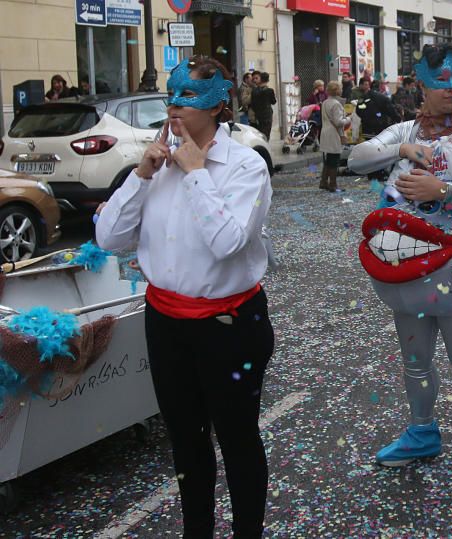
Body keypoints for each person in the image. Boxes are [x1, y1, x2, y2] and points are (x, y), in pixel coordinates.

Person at [95, 56, 274, 538]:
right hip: (167, 323)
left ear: (218, 105)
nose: (174, 108)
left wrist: (196, 172)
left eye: (187, 98)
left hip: (230, 326)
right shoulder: (157, 159)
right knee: (186, 441)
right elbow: (109, 239)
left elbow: (227, 243)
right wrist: (142, 176)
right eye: (170, 97)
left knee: (237, 439)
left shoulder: (246, 167)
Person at [347, 42, 452, 503]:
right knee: (415, 358)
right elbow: (355, 157)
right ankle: (422, 432)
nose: (451, 91)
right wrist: (401, 147)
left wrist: (441, 187)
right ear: (419, 82)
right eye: (439, 82)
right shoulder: (405, 129)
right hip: (406, 265)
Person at [319, 81, 349, 192]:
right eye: (340, 88)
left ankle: (323, 182)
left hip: (325, 132)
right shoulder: (336, 104)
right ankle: (333, 184)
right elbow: (338, 122)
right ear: (337, 90)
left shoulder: (325, 102)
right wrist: (348, 119)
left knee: (328, 159)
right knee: (334, 160)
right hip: (334, 134)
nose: (341, 90)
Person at [250, 72, 276, 140]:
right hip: (267, 115)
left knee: (259, 133)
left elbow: (253, 104)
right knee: (266, 133)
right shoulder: (270, 91)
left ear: (260, 79)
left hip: (258, 115)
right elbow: (273, 102)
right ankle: (265, 147)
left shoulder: (254, 91)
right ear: (268, 80)